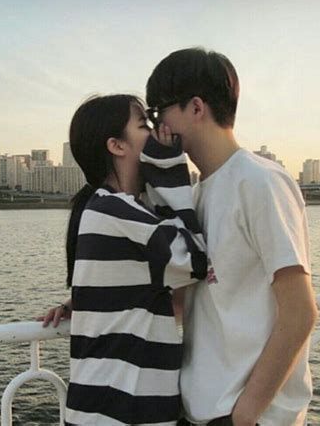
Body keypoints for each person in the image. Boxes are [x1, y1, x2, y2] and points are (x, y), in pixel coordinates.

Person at [144, 48, 318, 426]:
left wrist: (246, 414)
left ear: (195, 107)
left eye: (158, 112)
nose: (156, 128)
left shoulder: (260, 181)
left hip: (245, 415)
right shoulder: (195, 196)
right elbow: (182, 302)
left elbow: (300, 311)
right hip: (200, 408)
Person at [39, 94, 208, 426]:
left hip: (104, 410)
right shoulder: (118, 211)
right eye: (144, 125)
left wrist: (81, 302)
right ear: (117, 146)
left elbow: (130, 284)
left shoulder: (106, 208)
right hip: (121, 413)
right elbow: (196, 260)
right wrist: (170, 169)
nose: (157, 132)